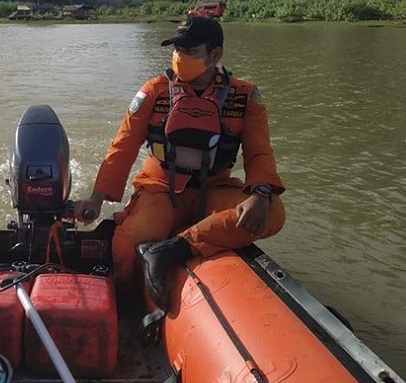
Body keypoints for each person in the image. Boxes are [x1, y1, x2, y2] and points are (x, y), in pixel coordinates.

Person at [74, 16, 286, 308]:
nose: (179, 57)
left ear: (215, 55)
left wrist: (261, 193)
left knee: (273, 212)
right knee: (126, 242)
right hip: (160, 187)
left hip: (215, 186)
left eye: (190, 51)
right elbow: (123, 145)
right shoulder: (155, 91)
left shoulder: (244, 96)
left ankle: (173, 249)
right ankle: (126, 303)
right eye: (176, 50)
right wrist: (97, 198)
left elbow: (259, 151)